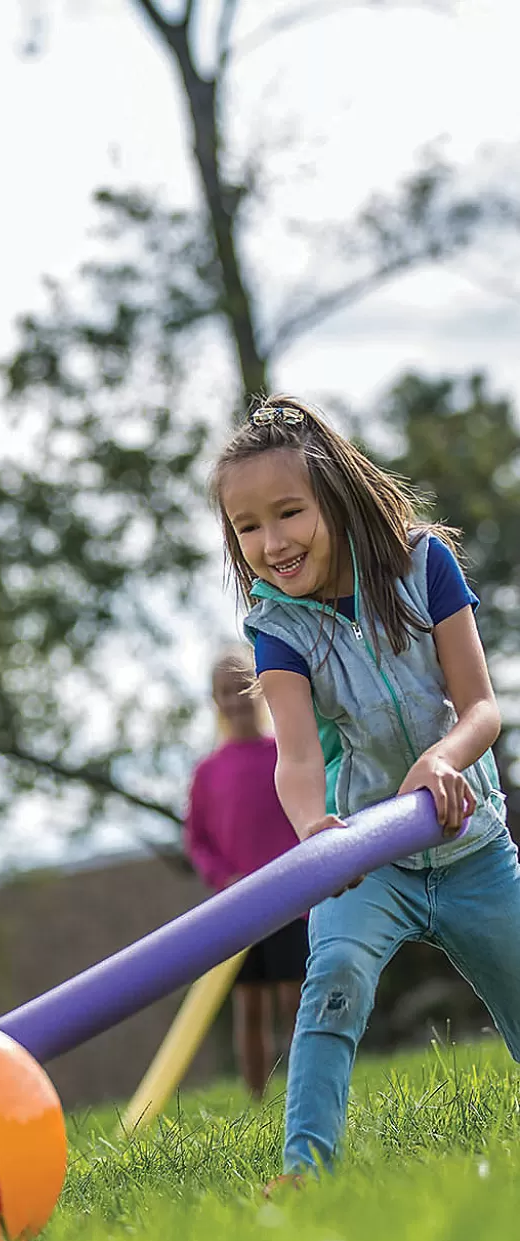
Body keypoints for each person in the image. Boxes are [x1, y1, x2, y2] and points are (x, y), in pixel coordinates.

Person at [212, 394, 520, 1181]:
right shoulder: (276, 624)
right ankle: (304, 1172)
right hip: (364, 856)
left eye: (289, 513)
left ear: (335, 498)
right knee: (333, 983)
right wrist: (317, 831)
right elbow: (297, 752)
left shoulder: (423, 565)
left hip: (469, 841)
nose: (272, 543)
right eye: (248, 527)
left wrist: (444, 759)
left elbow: (482, 707)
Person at [184, 646, 306, 1099]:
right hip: (237, 908)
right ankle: (258, 1100)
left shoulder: (287, 752)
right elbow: (197, 841)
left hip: (294, 902)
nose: (235, 700)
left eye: (241, 688)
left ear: (258, 688)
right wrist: (224, 878)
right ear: (214, 701)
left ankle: (305, 1091)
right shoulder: (207, 773)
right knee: (250, 1006)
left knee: (296, 1001)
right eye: (224, 693)